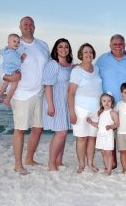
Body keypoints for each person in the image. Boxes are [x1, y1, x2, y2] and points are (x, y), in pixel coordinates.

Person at [0, 16, 50, 175]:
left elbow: (51, 64)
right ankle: (18, 164)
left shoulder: (43, 45)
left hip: (39, 93)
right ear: (20, 27)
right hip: (21, 94)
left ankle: (29, 159)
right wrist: (8, 78)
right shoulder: (13, 46)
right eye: (25, 24)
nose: (28, 26)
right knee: (20, 129)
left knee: (38, 128)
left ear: (34, 27)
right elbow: (1, 69)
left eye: (31, 24)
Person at [96, 34, 126, 168]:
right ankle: (112, 161)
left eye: (120, 44)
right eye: (115, 44)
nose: (118, 47)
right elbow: (92, 73)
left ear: (125, 45)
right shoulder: (102, 59)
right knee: (110, 132)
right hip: (109, 104)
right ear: (110, 46)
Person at [68, 43, 103, 173]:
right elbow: (70, 92)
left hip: (96, 110)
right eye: (85, 52)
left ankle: (90, 163)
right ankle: (81, 164)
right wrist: (72, 112)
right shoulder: (76, 71)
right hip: (81, 109)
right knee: (82, 138)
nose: (88, 54)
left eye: (90, 52)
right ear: (81, 55)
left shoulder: (97, 69)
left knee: (92, 138)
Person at [42, 38, 73, 171]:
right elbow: (47, 85)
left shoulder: (70, 65)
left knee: (64, 132)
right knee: (61, 132)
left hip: (67, 101)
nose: (63, 49)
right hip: (55, 100)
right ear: (56, 49)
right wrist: (51, 105)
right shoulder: (53, 64)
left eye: (66, 47)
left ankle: (59, 161)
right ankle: (51, 162)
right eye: (60, 47)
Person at [87, 93, 119, 175]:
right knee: (103, 152)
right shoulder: (101, 113)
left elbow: (117, 124)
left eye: (109, 101)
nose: (107, 103)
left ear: (112, 102)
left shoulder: (113, 113)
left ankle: (109, 170)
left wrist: (111, 126)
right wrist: (91, 122)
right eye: (104, 101)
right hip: (101, 135)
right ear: (101, 103)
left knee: (108, 153)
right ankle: (106, 167)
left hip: (108, 135)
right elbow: (99, 125)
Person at [0, 33, 26, 109]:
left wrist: (0, 51)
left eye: (18, 42)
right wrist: (22, 58)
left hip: (7, 70)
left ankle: (0, 94)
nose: (16, 44)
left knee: (5, 83)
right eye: (14, 41)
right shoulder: (13, 53)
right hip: (13, 72)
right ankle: (7, 100)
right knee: (14, 87)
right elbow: (18, 62)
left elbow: (0, 51)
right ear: (8, 42)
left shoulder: (5, 50)